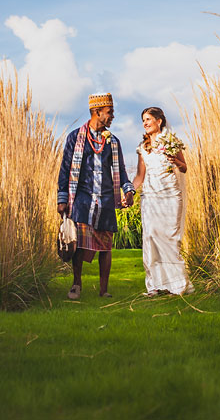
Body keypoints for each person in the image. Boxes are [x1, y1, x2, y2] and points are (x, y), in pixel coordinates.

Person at [57, 93, 135, 300]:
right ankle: (76, 284)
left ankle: (104, 290)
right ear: (97, 112)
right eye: (110, 113)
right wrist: (62, 199)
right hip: (81, 198)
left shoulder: (113, 141)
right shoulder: (75, 137)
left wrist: (128, 191)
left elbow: (122, 171)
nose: (112, 117)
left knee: (106, 246)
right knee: (79, 245)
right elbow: (65, 169)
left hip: (106, 199)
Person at [132, 106, 194, 296]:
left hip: (170, 196)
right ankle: (155, 285)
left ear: (159, 121)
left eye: (148, 119)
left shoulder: (172, 141)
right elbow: (139, 176)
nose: (145, 123)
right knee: (150, 237)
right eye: (143, 120)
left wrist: (175, 161)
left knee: (169, 239)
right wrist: (128, 192)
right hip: (150, 197)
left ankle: (176, 284)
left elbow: (184, 168)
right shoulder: (143, 147)